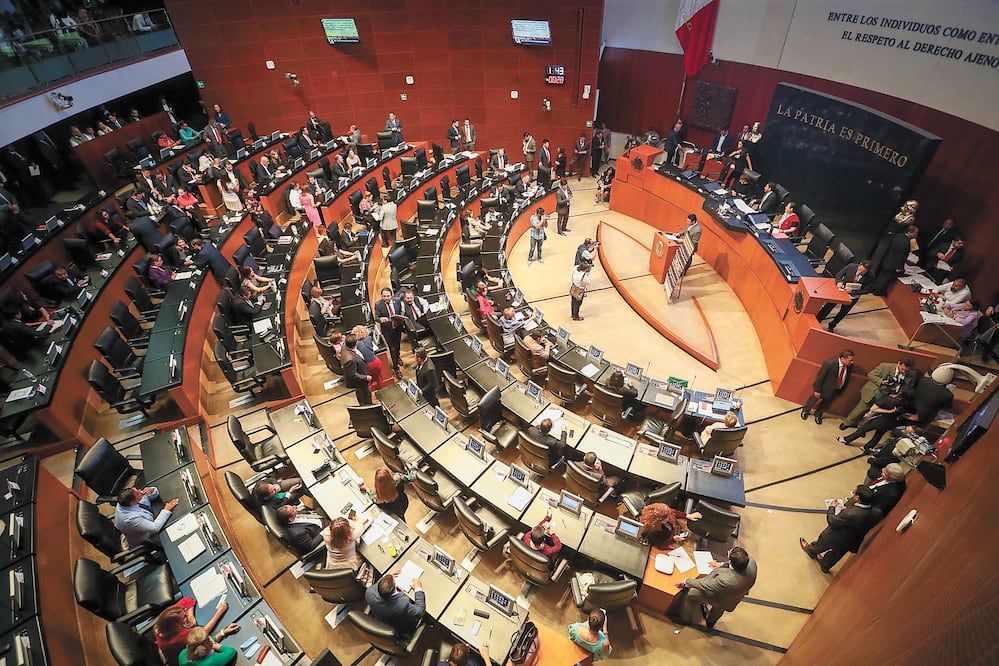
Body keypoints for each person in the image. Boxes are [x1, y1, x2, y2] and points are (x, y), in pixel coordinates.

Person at [800, 485, 882, 573]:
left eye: (854, 493)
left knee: (821, 544)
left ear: (858, 498)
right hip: (852, 540)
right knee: (837, 554)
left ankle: (811, 551)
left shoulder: (850, 513)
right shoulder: (877, 513)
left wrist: (831, 508)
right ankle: (825, 565)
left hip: (836, 536)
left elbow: (832, 521)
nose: (852, 494)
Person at [673, 547, 757, 628]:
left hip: (719, 596)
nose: (728, 551)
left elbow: (705, 584)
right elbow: (735, 565)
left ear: (730, 562)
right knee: (719, 609)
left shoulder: (725, 580)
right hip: (734, 597)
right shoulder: (751, 563)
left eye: (729, 553)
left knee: (690, 594)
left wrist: (685, 581)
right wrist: (721, 564)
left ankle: (684, 619)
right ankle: (710, 623)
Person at [840, 359, 917, 431]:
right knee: (860, 409)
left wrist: (898, 394)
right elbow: (871, 374)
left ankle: (861, 427)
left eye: (906, 370)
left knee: (872, 414)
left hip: (888, 398)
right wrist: (882, 381)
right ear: (898, 363)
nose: (903, 371)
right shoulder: (885, 366)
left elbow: (907, 388)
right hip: (874, 392)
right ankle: (847, 422)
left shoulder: (911, 376)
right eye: (902, 368)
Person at [154, 598, 235, 666]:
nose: (186, 615)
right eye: (184, 617)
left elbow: (187, 600)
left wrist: (222, 633)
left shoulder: (182, 655)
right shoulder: (212, 661)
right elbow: (231, 651)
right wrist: (213, 644)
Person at [816, 260, 876, 333]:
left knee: (843, 312)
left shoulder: (871, 277)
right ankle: (817, 320)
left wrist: (853, 292)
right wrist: (839, 282)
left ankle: (832, 325)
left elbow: (867, 290)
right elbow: (838, 275)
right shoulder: (851, 266)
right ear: (860, 264)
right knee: (828, 306)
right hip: (841, 290)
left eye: (864, 272)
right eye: (860, 270)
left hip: (853, 296)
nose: (861, 272)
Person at [801, 350, 855, 425]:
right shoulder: (829, 364)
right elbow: (820, 377)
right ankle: (805, 410)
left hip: (836, 389)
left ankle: (818, 414)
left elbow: (846, 377)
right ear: (842, 359)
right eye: (850, 360)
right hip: (824, 388)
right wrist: (817, 390)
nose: (852, 362)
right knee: (813, 400)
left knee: (826, 404)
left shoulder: (849, 366)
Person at [114, 486, 179, 547]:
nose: (140, 491)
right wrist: (166, 509)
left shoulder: (125, 501)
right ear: (132, 503)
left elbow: (146, 499)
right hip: (146, 537)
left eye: (137, 490)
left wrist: (151, 490)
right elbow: (155, 528)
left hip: (149, 518)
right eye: (138, 493)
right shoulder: (130, 520)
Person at [365, 572, 425, 637]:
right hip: (401, 628)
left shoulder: (369, 592)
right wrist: (418, 589)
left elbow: (377, 585)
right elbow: (420, 611)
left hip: (381, 619)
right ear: (394, 588)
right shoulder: (402, 604)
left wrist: (387, 577)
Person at [872, 224, 918, 296]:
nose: (916, 235)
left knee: (881, 276)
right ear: (909, 232)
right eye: (915, 233)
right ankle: (878, 291)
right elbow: (901, 256)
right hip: (894, 264)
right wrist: (899, 267)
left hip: (887, 259)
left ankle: (874, 288)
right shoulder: (906, 243)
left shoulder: (898, 236)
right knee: (886, 279)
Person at [375, 288, 404, 373]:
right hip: (387, 330)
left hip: (397, 328)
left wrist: (401, 316)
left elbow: (401, 312)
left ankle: (397, 357)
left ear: (391, 295)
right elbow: (376, 318)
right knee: (392, 348)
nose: (386, 298)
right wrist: (380, 319)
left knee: (398, 345)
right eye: (384, 296)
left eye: (388, 296)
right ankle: (396, 368)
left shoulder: (397, 301)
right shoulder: (378, 304)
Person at [341, 333, 373, 405]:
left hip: (360, 372)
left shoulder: (344, 347)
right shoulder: (350, 359)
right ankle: (367, 407)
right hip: (360, 381)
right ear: (356, 343)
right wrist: (366, 377)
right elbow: (353, 375)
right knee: (365, 394)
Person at [352, 325, 384, 390]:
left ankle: (370, 397)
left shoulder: (356, 344)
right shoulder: (369, 338)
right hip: (377, 362)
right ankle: (382, 391)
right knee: (378, 378)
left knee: (368, 382)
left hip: (367, 366)